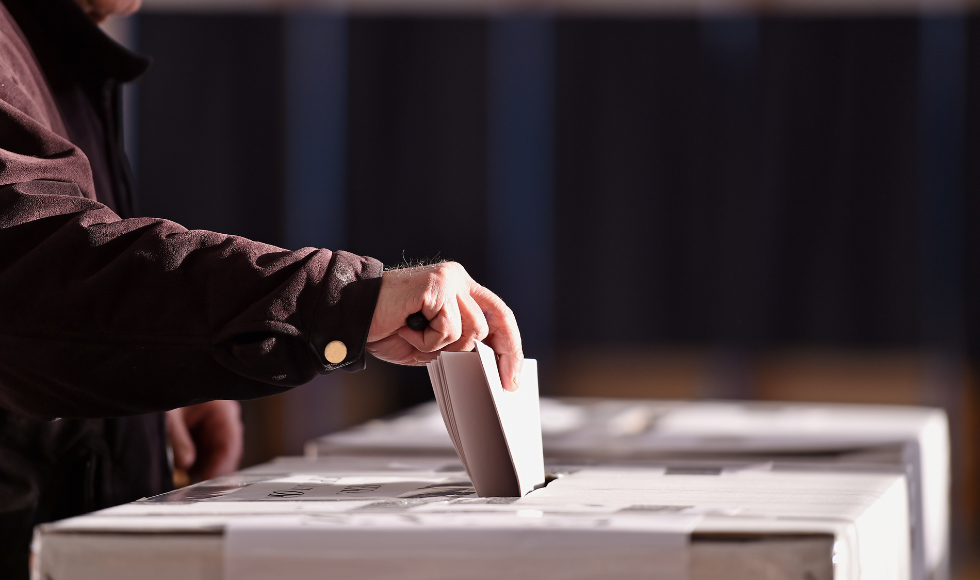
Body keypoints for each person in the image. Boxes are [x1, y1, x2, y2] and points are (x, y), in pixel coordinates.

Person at [0, 0, 523, 576]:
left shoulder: (44, 44)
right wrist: (342, 301)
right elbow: (33, 281)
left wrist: (150, 391)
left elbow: (62, 322)